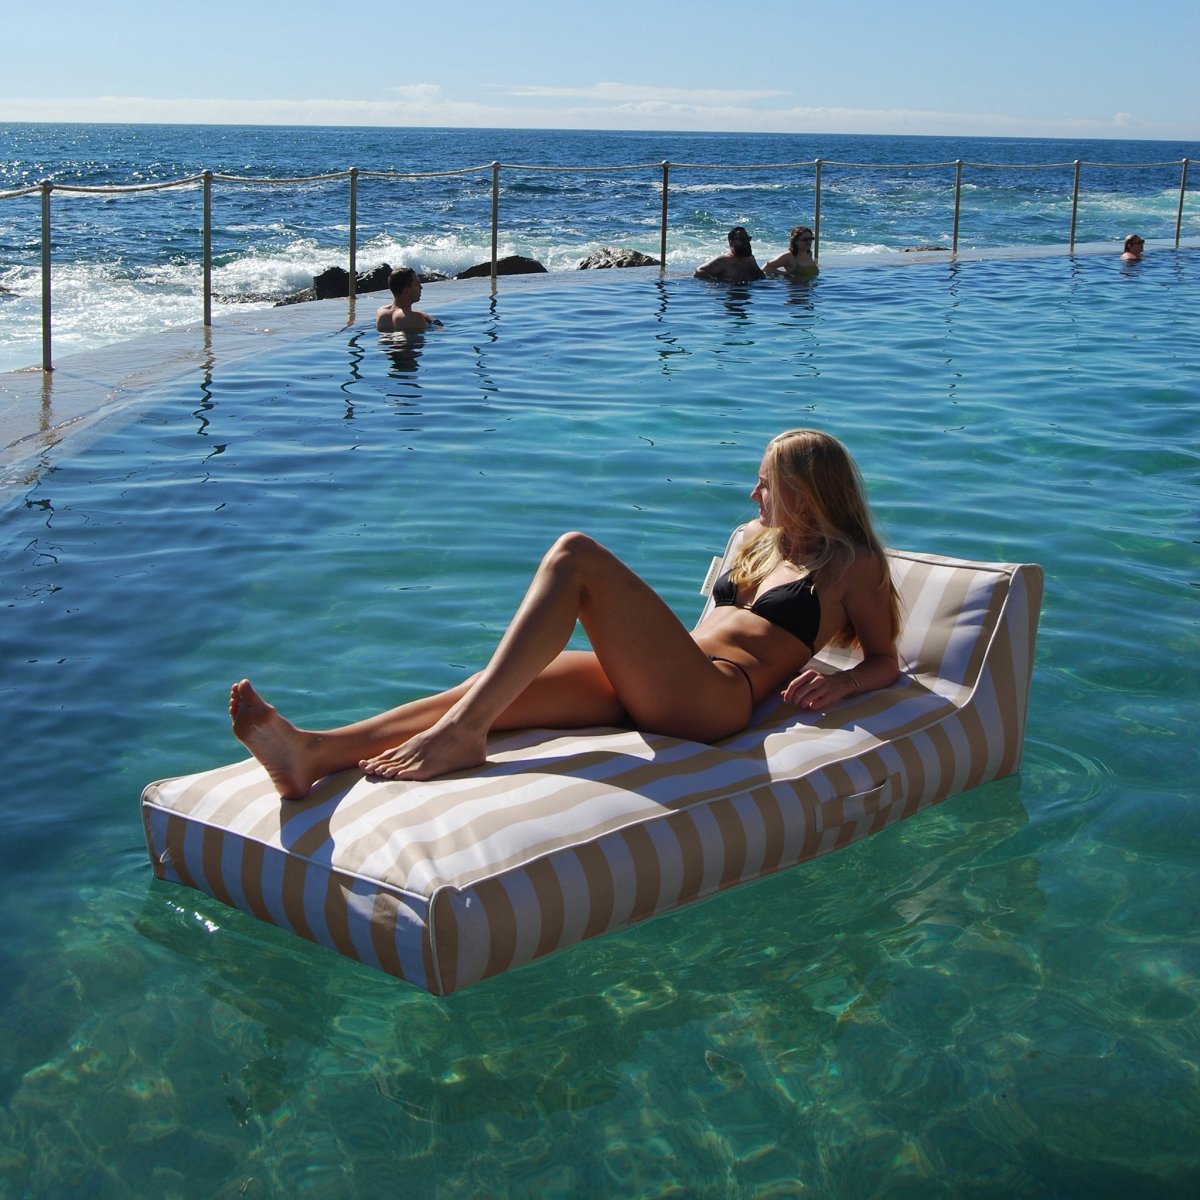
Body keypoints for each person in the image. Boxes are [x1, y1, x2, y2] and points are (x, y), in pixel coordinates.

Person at [230, 429, 902, 800]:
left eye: (766, 483)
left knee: (575, 556)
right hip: (663, 680)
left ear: (807, 495)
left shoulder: (853, 564)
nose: (753, 494)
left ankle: (462, 735)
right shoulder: (756, 540)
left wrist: (843, 682)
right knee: (491, 686)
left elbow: (884, 659)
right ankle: (313, 753)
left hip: (714, 700)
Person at [376, 267, 440, 332]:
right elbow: (438, 330)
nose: (421, 287)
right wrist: (433, 320)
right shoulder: (416, 318)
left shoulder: (381, 312)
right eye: (417, 284)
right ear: (406, 291)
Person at [694, 226, 766, 282]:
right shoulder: (725, 261)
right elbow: (699, 272)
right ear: (732, 243)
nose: (746, 241)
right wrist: (719, 281)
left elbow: (761, 277)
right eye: (742, 239)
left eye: (747, 238)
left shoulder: (750, 258)